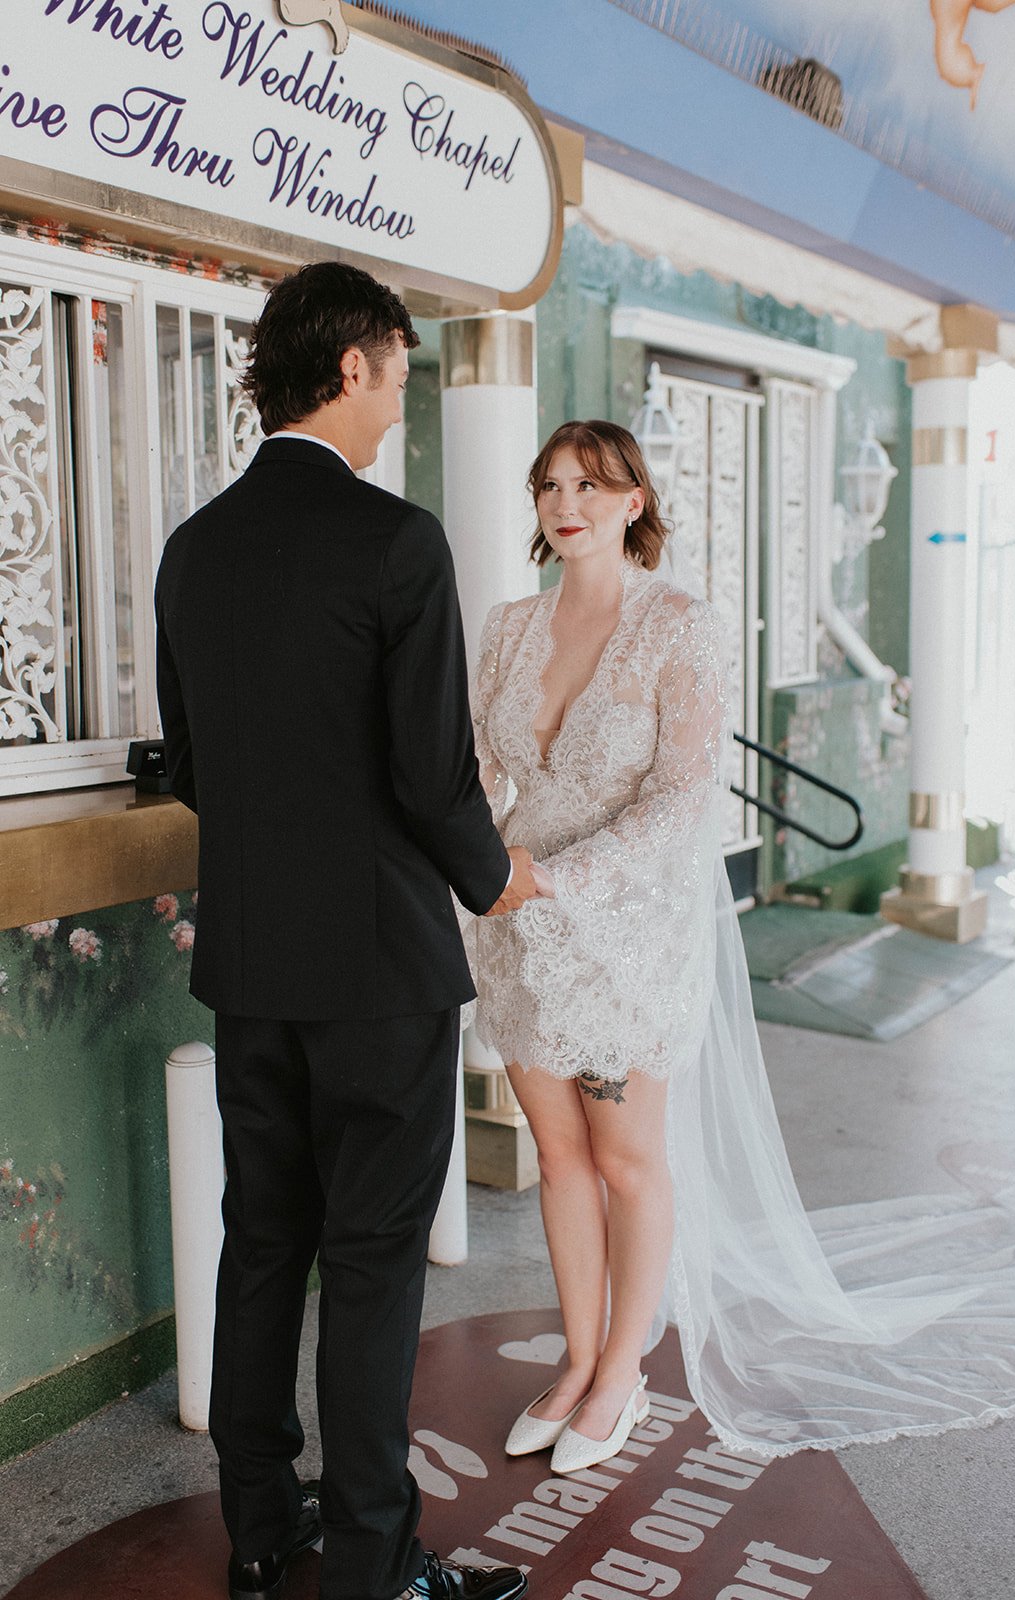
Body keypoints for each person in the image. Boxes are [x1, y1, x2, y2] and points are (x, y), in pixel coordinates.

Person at [467, 418, 1015, 1472]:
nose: (568, 503)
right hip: (514, 929)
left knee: (627, 1157)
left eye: (592, 484)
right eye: (552, 484)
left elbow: (685, 798)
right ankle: (574, 1360)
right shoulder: (509, 628)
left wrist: (558, 875)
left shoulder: (680, 627)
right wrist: (479, 863)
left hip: (623, 938)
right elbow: (475, 770)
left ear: (634, 501)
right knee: (557, 1154)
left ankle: (623, 1376)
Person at [155, 262, 538, 1600]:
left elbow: (190, 760)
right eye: (398, 373)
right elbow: (433, 779)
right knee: (373, 1263)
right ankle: (375, 1562)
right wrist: (495, 881)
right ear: (357, 365)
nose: (401, 403)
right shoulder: (396, 540)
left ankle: (264, 1531)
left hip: (250, 961)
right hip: (379, 969)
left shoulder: (192, 547)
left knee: (265, 1243)